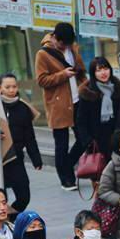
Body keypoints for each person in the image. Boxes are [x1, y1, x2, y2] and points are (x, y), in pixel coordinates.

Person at [0, 73, 43, 212]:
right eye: (7, 87)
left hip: (16, 157)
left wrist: (36, 159)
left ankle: (10, 217)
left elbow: (29, 136)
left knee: (24, 196)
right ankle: (1, 220)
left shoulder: (23, 107)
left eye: (14, 86)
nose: (11, 90)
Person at [35, 22, 87, 190]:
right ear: (55, 38)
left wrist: (85, 85)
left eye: (68, 44)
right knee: (61, 144)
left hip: (78, 100)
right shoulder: (43, 54)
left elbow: (81, 71)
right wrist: (63, 75)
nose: (65, 47)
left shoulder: (72, 48)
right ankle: (65, 178)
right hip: (58, 104)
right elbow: (42, 80)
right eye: (63, 44)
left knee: (84, 138)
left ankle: (67, 165)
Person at [76, 57, 120, 162]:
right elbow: (81, 121)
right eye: (98, 70)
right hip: (96, 143)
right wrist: (88, 141)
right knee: (100, 171)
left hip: (116, 140)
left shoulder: (117, 90)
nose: (103, 73)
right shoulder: (88, 93)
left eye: (105, 69)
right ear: (93, 73)